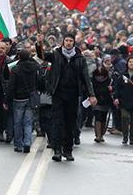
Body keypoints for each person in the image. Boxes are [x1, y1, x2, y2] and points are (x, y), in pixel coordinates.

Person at [37, 33, 96, 162]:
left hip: (73, 94)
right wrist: (39, 43)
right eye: (66, 40)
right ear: (63, 42)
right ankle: (57, 150)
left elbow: (86, 77)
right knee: (57, 122)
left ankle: (68, 150)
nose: (68, 43)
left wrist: (91, 95)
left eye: (70, 41)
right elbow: (42, 56)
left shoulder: (79, 58)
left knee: (70, 123)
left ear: (74, 43)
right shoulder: (56, 54)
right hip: (58, 93)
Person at [5, 49, 39, 153]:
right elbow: (37, 81)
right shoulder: (34, 67)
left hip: (18, 98)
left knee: (18, 123)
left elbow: (11, 86)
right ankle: (27, 143)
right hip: (30, 97)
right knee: (28, 123)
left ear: (19, 57)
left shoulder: (16, 69)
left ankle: (19, 145)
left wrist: (6, 100)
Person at [91, 67, 113, 143]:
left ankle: (101, 134)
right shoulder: (93, 80)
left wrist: (111, 89)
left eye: (101, 75)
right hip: (96, 101)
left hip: (105, 101)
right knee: (98, 117)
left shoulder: (109, 80)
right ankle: (98, 135)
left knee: (103, 118)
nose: (100, 77)